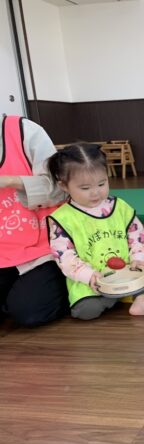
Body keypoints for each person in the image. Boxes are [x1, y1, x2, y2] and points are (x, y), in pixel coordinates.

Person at [46, 143, 144, 320]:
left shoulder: (119, 206)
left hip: (129, 272)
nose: (95, 193)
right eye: (85, 188)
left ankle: (141, 299)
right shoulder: (62, 219)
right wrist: (88, 276)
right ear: (64, 185)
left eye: (102, 184)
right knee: (85, 311)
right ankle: (116, 296)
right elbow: (64, 256)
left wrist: (139, 259)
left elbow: (137, 236)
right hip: (96, 281)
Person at [0, 115, 69, 326]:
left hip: (41, 246)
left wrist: (10, 181)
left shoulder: (24, 130)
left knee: (30, 312)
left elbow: (60, 188)